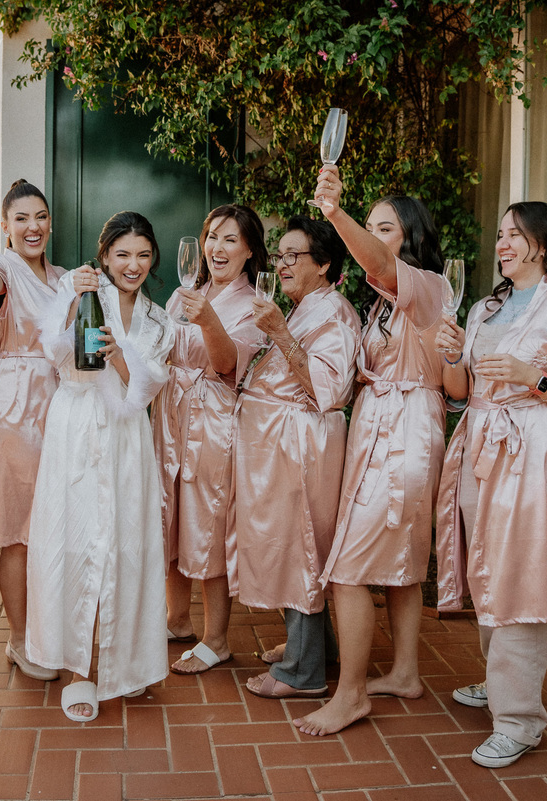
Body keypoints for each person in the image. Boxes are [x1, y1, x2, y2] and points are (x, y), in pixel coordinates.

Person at [434, 202, 547, 768]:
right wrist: (451, 354)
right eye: (501, 233)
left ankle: (519, 720)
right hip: (480, 445)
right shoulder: (485, 308)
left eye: (514, 234)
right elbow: (459, 390)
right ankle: (500, 681)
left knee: (521, 577)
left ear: (544, 243)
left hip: (534, 451)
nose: (502, 243)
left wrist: (534, 378)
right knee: (487, 566)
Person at [294, 167, 449, 735]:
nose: (375, 237)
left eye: (385, 227)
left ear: (411, 237)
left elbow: (380, 264)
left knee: (348, 567)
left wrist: (335, 213)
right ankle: (405, 672)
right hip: (383, 426)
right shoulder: (384, 303)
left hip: (404, 433)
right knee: (403, 560)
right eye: (370, 225)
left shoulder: (427, 285)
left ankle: (351, 694)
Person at [26, 211, 176, 722]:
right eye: (123, 254)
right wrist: (71, 298)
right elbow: (54, 352)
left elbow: (149, 386)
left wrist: (119, 357)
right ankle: (79, 670)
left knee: (127, 545)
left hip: (128, 437)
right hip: (76, 427)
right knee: (77, 541)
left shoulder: (159, 319)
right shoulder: (84, 293)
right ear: (105, 255)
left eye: (143, 255)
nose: (133, 265)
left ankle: (128, 665)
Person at [235, 215, 361, 700]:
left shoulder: (334, 312)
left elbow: (328, 390)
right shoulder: (307, 306)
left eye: (294, 255)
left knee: (300, 546)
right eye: (279, 255)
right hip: (280, 443)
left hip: (301, 444)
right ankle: (316, 647)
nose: (282, 264)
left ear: (324, 263)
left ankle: (302, 672)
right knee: (290, 543)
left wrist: (280, 333)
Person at [0, 180, 65, 682]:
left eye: (40, 216)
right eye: (21, 219)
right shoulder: (1, 266)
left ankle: (47, 629)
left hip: (62, 404)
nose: (32, 226)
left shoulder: (63, 277)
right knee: (19, 533)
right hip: (16, 407)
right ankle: (20, 640)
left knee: (54, 527)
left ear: (51, 222)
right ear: (5, 226)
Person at [154, 204, 266, 674]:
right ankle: (177, 618)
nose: (217, 248)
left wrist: (207, 320)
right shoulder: (187, 293)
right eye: (212, 237)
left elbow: (226, 364)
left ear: (249, 251)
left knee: (208, 520)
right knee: (171, 513)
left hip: (215, 421)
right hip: (171, 415)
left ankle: (216, 638)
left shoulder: (255, 303)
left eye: (230, 240)